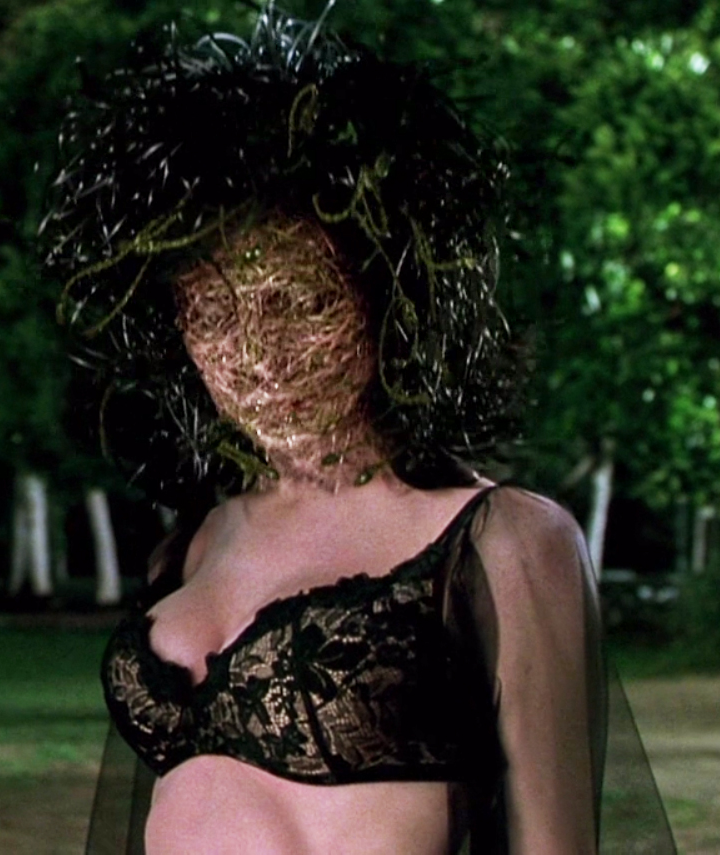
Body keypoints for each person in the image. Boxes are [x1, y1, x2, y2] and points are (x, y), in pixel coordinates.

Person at [41, 6, 675, 853]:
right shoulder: (195, 543)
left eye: (301, 302)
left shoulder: (501, 543)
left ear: (385, 297)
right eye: (211, 315)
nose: (257, 356)